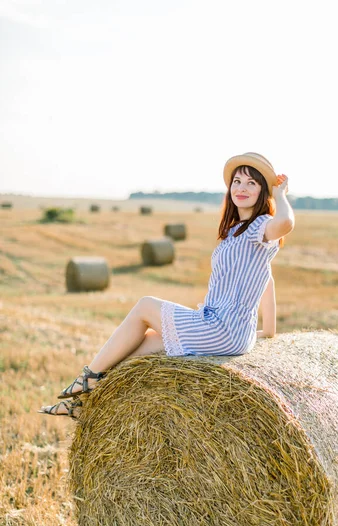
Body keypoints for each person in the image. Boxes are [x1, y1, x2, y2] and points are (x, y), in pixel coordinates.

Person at [39, 152, 295, 418]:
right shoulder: (235, 232)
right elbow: (267, 278)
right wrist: (268, 331)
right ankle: (85, 405)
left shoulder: (261, 226)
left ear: (263, 190)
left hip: (221, 328)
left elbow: (286, 223)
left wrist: (280, 194)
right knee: (139, 348)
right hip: (223, 328)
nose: (241, 188)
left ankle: (87, 379)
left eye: (251, 183)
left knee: (145, 306)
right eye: (237, 181)